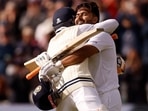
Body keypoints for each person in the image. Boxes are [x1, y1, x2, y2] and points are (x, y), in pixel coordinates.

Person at [32, 4, 120, 111]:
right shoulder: (77, 40)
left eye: (84, 14)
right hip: (91, 92)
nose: (79, 18)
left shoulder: (101, 35)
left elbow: (82, 54)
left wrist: (56, 63)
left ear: (95, 19)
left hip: (106, 94)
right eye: (77, 15)